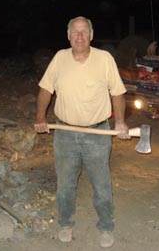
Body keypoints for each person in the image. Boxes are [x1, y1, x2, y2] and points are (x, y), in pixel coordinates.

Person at [34, 16, 130, 248]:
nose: (79, 36)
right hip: (65, 133)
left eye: (84, 32)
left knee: (101, 183)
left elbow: (117, 92)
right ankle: (66, 223)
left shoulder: (104, 59)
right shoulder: (59, 58)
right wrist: (40, 117)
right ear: (68, 36)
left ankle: (106, 226)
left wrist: (120, 123)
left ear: (91, 35)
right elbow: (46, 90)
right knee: (65, 183)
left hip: (97, 134)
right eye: (75, 32)